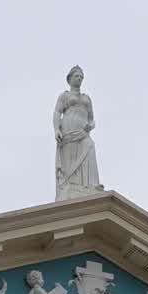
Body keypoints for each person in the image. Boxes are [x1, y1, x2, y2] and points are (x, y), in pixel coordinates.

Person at [53, 66, 103, 201]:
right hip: (68, 132)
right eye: (77, 76)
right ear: (70, 79)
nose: (79, 79)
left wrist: (90, 126)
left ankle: (91, 185)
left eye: (81, 77)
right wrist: (57, 129)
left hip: (83, 133)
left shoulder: (86, 98)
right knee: (70, 158)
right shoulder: (64, 96)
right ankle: (70, 184)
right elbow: (57, 112)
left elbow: (92, 119)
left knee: (89, 147)